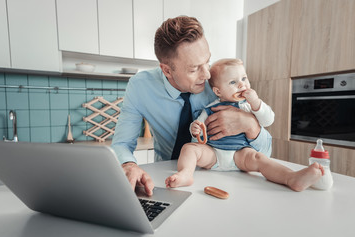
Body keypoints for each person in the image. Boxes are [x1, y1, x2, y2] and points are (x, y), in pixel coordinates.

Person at [111, 16, 272, 196]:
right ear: (167, 70)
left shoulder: (221, 83)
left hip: (225, 177)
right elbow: (122, 143)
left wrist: (250, 125)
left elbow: (266, 152)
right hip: (167, 178)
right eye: (194, 69)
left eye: (207, 62)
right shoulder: (140, 87)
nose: (206, 75)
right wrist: (129, 164)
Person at [165, 58, 324, 192]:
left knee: (259, 158)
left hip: (240, 155)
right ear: (218, 91)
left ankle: (291, 178)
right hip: (213, 154)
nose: (242, 85)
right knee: (189, 148)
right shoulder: (210, 107)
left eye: (244, 78)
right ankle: (186, 174)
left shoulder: (249, 106)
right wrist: (195, 129)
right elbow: (198, 127)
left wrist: (256, 102)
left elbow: (268, 120)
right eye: (233, 82)